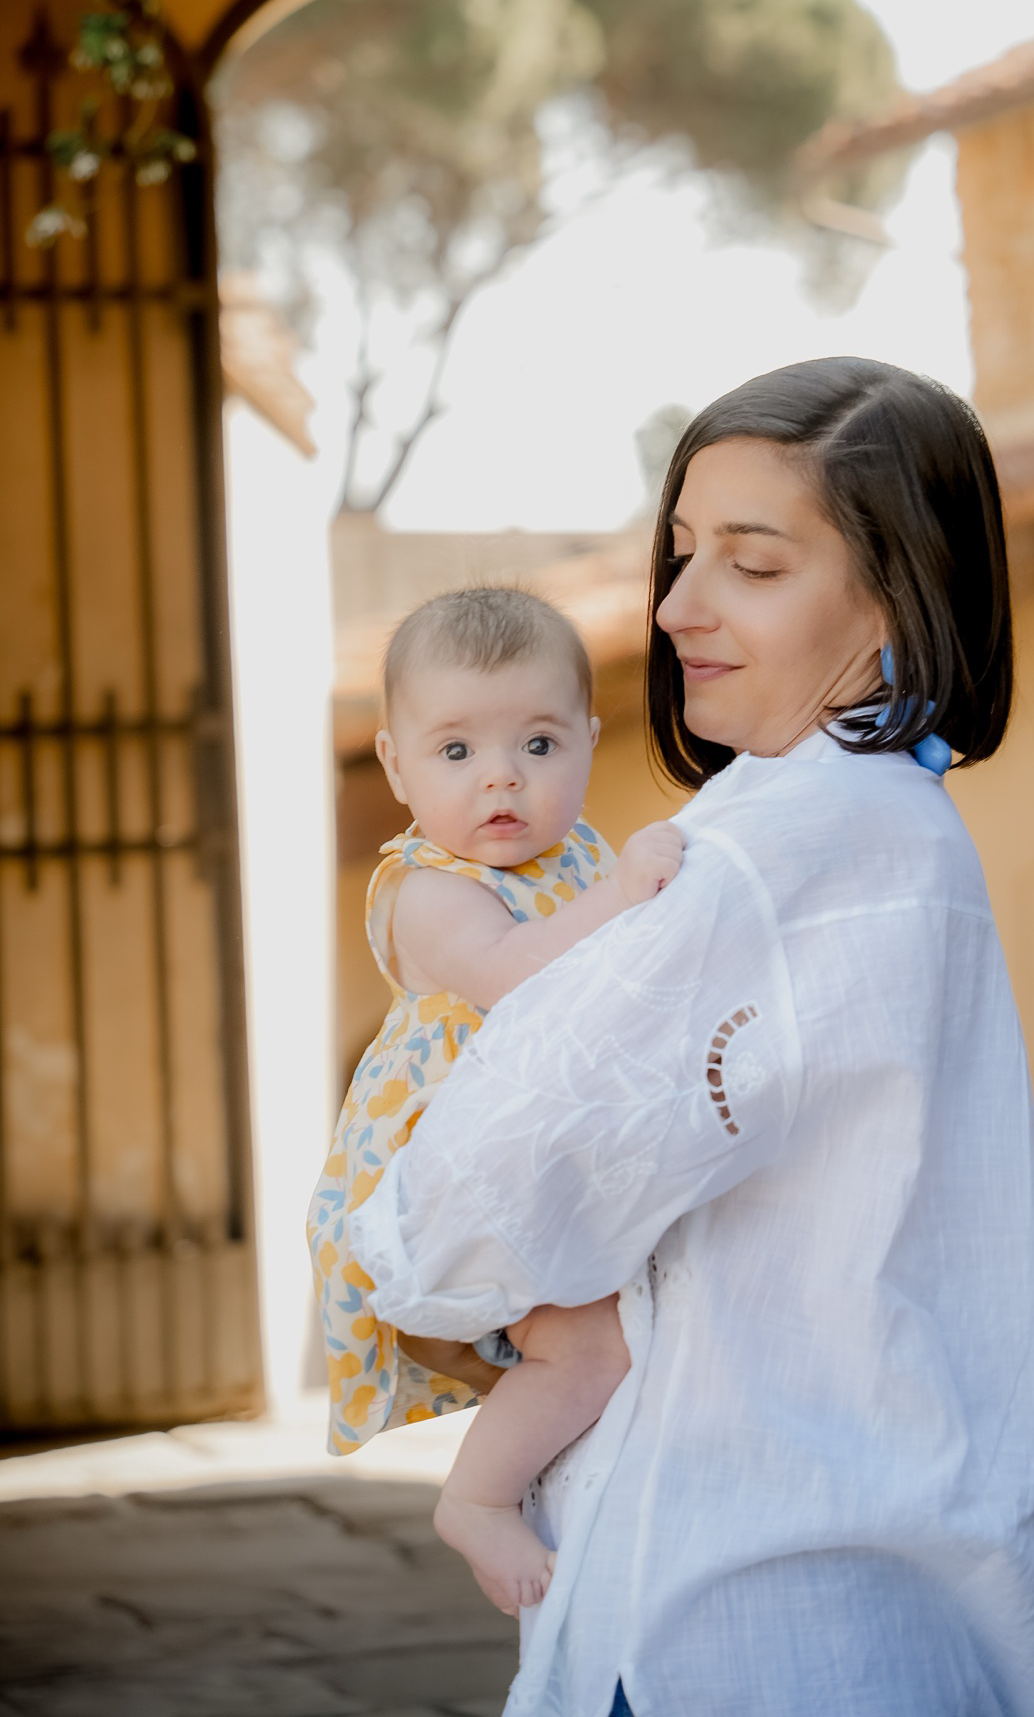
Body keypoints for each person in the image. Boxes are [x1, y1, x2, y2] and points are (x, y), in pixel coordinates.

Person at [350, 358, 1034, 1717]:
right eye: (681, 553)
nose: (677, 608)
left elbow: (451, 1230)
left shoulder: (753, 856)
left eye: (751, 563)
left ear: (895, 592)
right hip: (890, 1600)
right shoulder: (902, 829)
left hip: (720, 1606)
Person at [307, 587, 682, 1612]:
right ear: (394, 764)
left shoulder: (578, 862)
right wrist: (629, 895)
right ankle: (477, 1497)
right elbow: (516, 973)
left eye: (539, 743)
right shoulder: (426, 889)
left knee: (618, 1335)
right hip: (460, 1172)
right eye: (456, 752)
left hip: (541, 1152)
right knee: (588, 1346)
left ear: (588, 743)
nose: (502, 777)